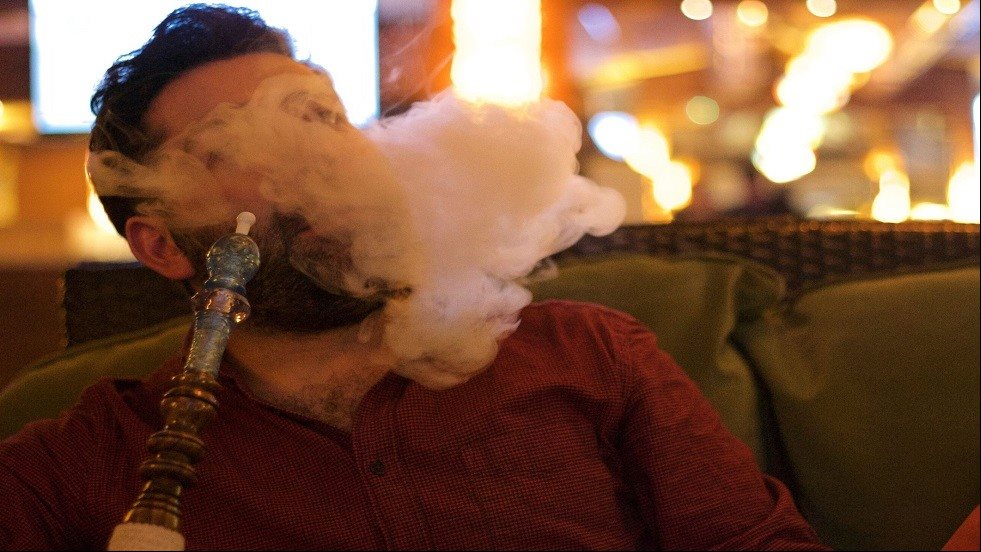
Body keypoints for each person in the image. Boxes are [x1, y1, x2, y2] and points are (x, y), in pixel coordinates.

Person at [0, 5, 828, 550]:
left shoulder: (589, 356)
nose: (314, 160)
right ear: (160, 247)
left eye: (321, 120)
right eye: (230, 145)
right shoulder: (97, 457)